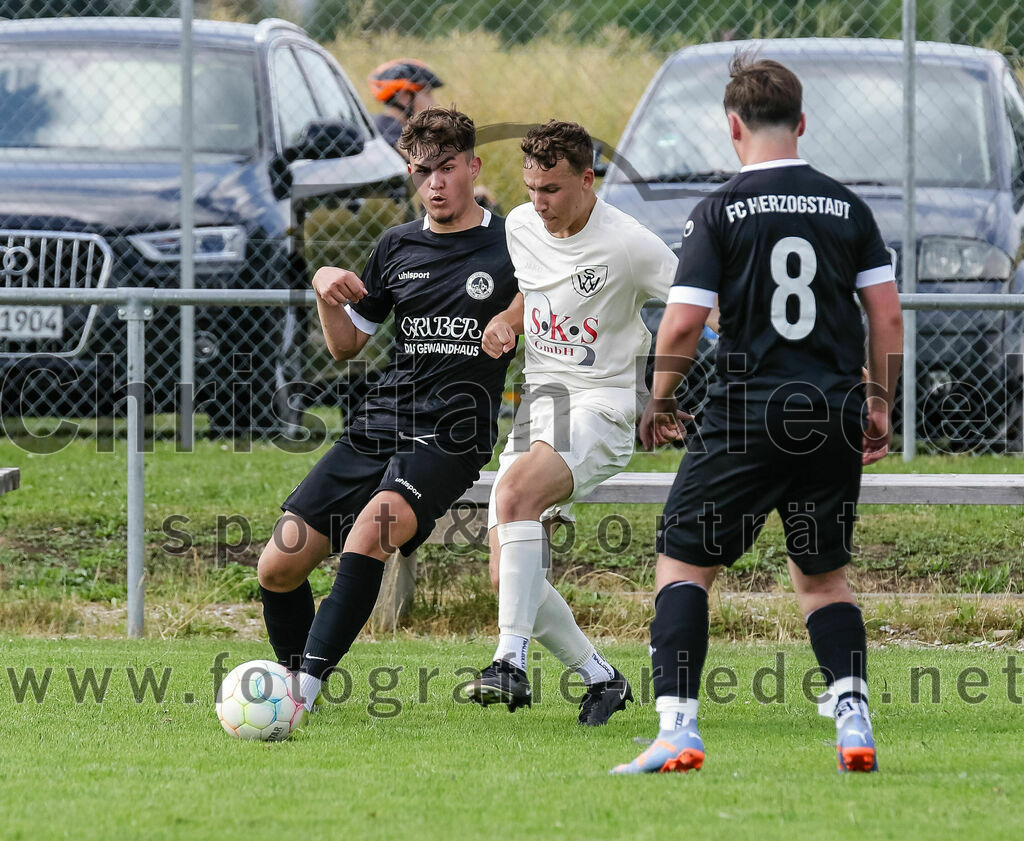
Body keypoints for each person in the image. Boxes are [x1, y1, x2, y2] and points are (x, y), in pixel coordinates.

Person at [612, 54, 903, 774]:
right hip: (831, 410)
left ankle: (678, 728)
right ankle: (852, 716)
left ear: (733, 127)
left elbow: (681, 326)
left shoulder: (717, 212)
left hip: (747, 413)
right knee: (822, 577)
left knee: (684, 562)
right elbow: (887, 316)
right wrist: (880, 400)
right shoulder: (849, 208)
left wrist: (661, 398)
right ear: (801, 124)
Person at [256, 106, 519, 711]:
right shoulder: (396, 246)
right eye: (422, 170)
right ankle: (298, 685)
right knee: (278, 565)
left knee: (370, 533)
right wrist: (324, 286)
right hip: (379, 423)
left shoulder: (512, 240)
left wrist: (509, 317)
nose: (435, 183)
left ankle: (300, 694)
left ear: (472, 166)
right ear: (410, 171)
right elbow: (347, 345)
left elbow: (550, 286)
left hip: (451, 433)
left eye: (448, 169)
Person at [463, 120, 700, 726]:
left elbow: (697, 309)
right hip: (541, 407)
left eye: (553, 190)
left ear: (588, 180)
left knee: (512, 495)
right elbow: (533, 289)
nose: (539, 203)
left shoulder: (630, 244)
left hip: (602, 405)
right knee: (507, 577)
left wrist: (666, 394)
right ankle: (602, 678)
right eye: (531, 188)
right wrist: (509, 321)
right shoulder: (521, 226)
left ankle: (508, 663)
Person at [368, 59, 443, 150]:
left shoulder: (401, 129)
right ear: (404, 96)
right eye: (427, 94)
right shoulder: (383, 126)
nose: (434, 103)